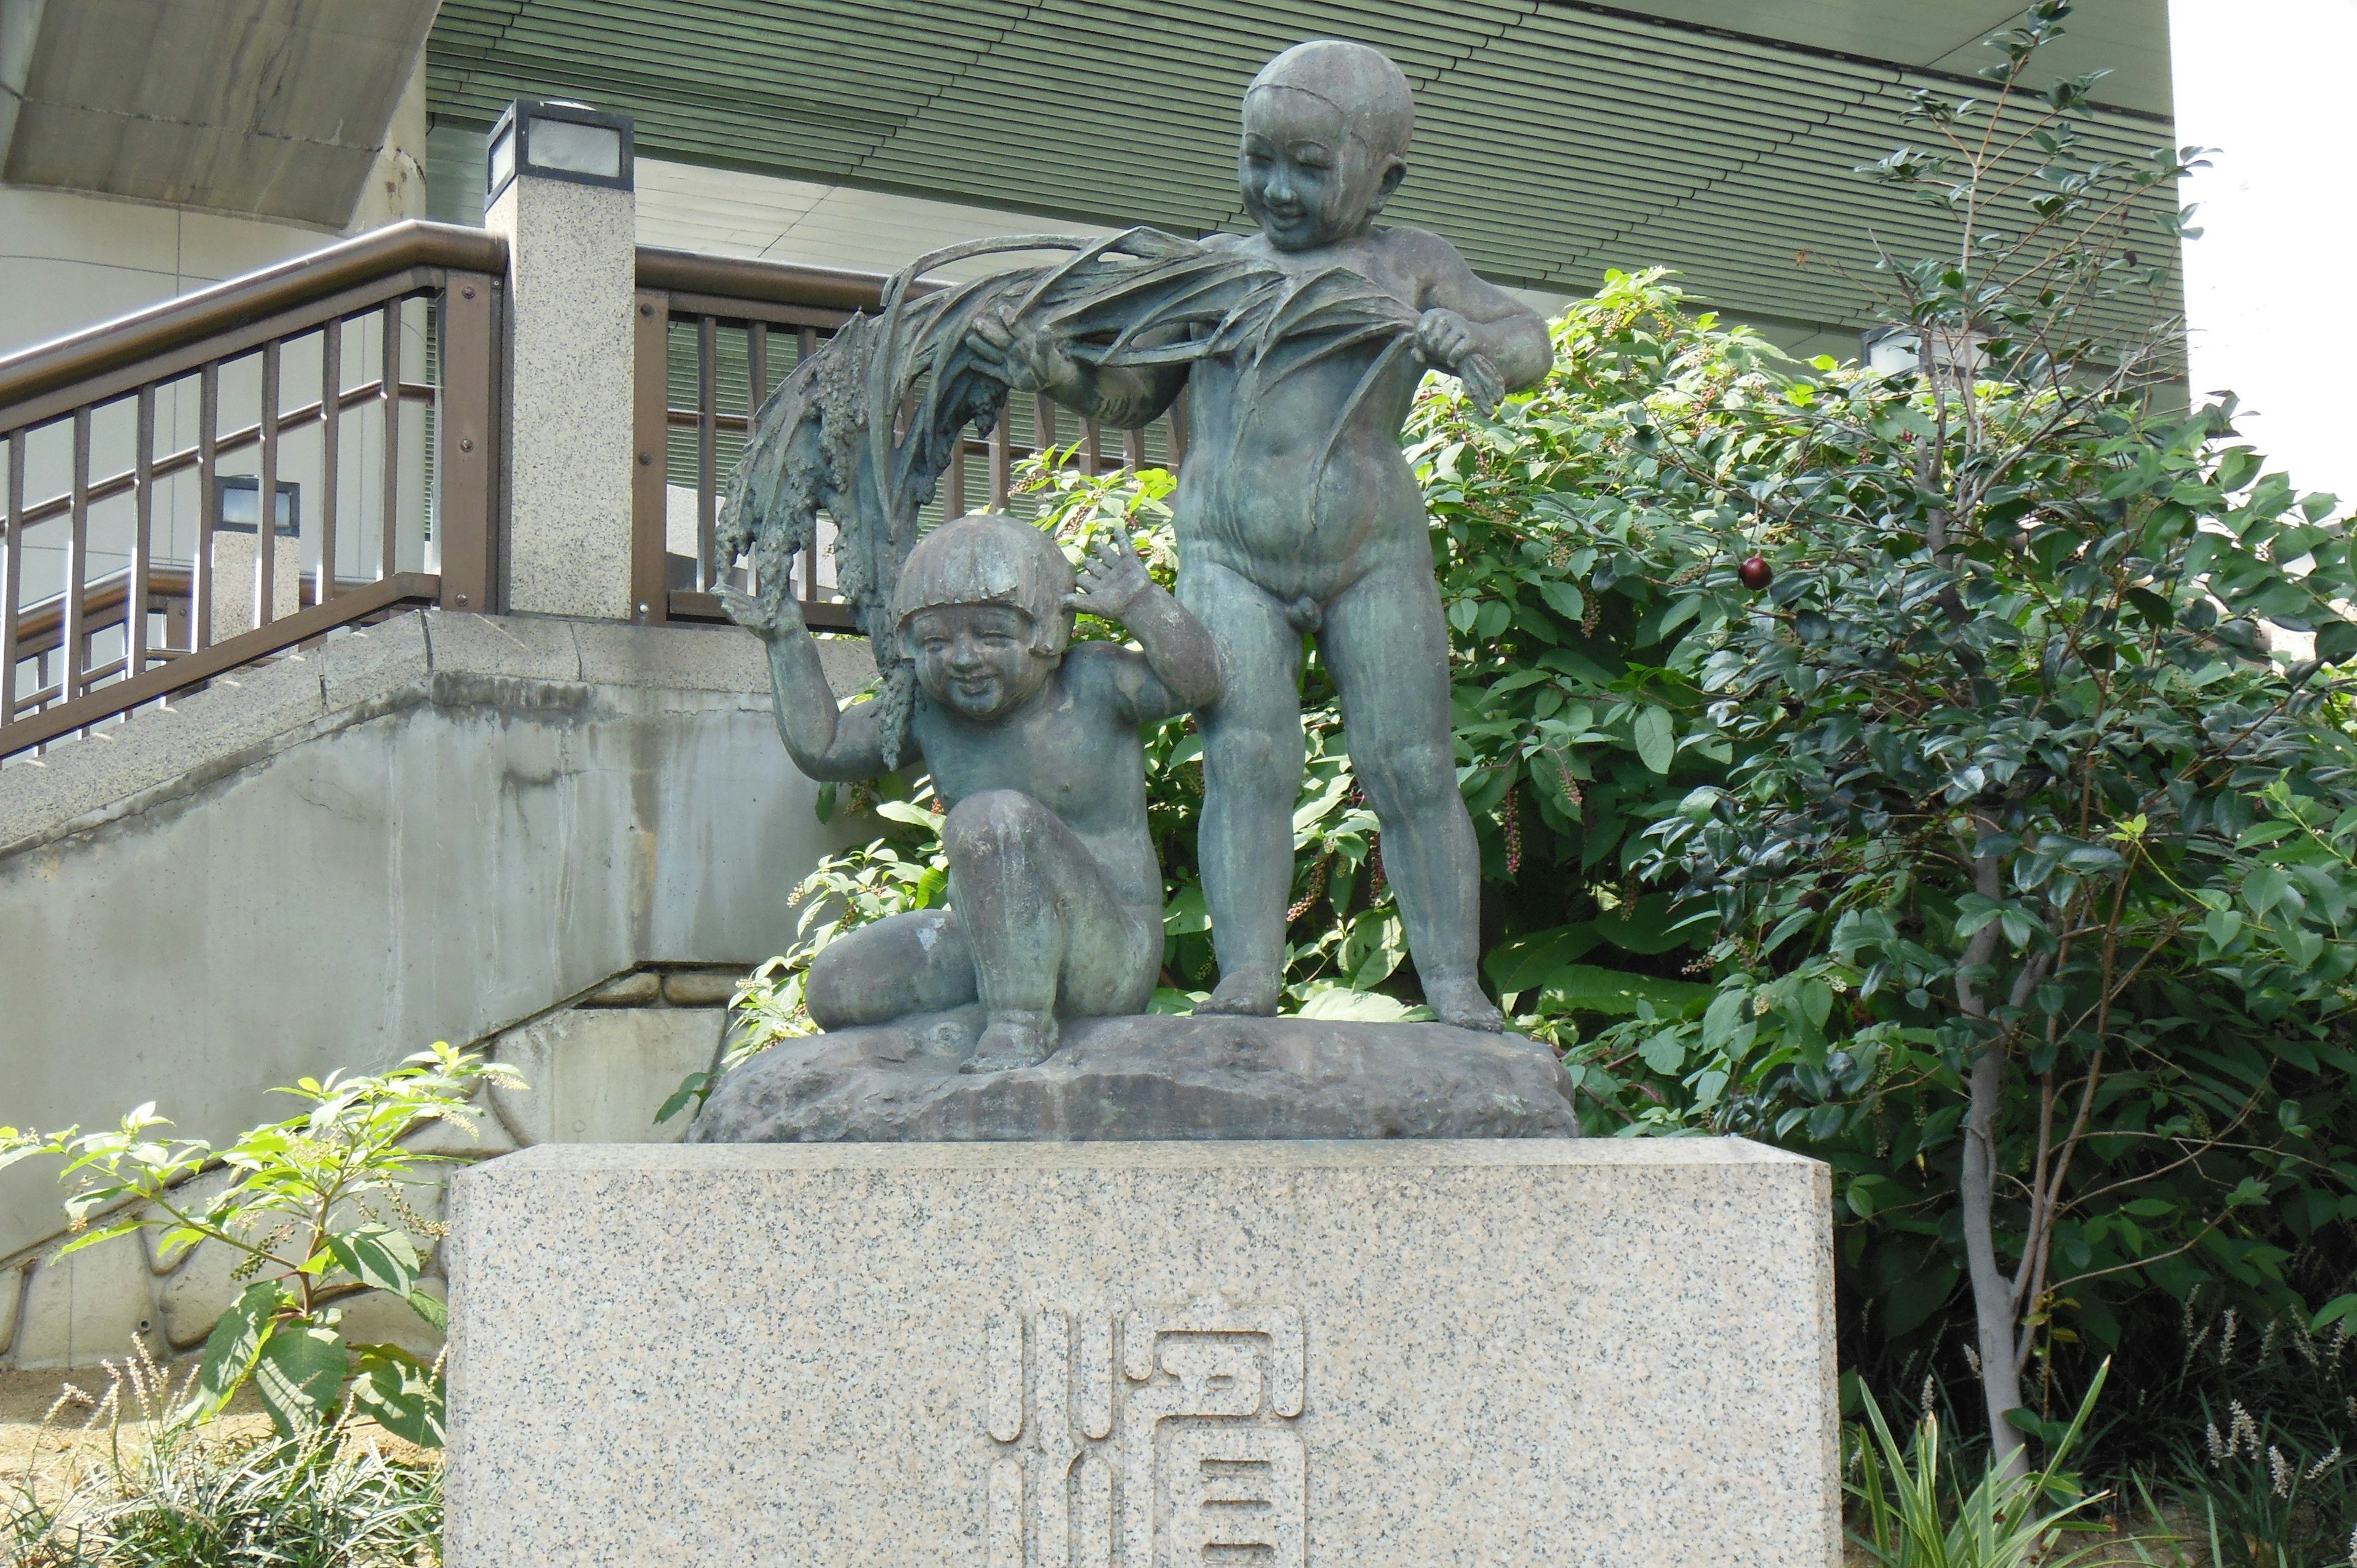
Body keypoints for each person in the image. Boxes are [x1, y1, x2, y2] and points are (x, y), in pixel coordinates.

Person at [968, 40, 1552, 1029]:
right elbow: (1135, 392)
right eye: (1258, 161)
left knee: (1410, 763)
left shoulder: (1409, 262)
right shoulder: (1218, 267)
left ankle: (1454, 982)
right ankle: (1247, 976)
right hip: (1229, 553)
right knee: (1244, 756)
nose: (1276, 190)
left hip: (1372, 555)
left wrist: (1471, 341)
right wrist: (1056, 370)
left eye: (1309, 168)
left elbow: (1528, 340)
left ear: (1384, 176)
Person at [722, 513, 1222, 1072]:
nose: (963, 658)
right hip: (989, 937)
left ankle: (1020, 1024)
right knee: (838, 985)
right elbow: (829, 747)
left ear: (1049, 633)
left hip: (1107, 950)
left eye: (991, 635)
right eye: (936, 640)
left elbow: (1200, 683)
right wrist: (786, 639)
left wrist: (1140, 604)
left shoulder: (1094, 682)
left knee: (990, 817)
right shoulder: (929, 709)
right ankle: (986, 1010)